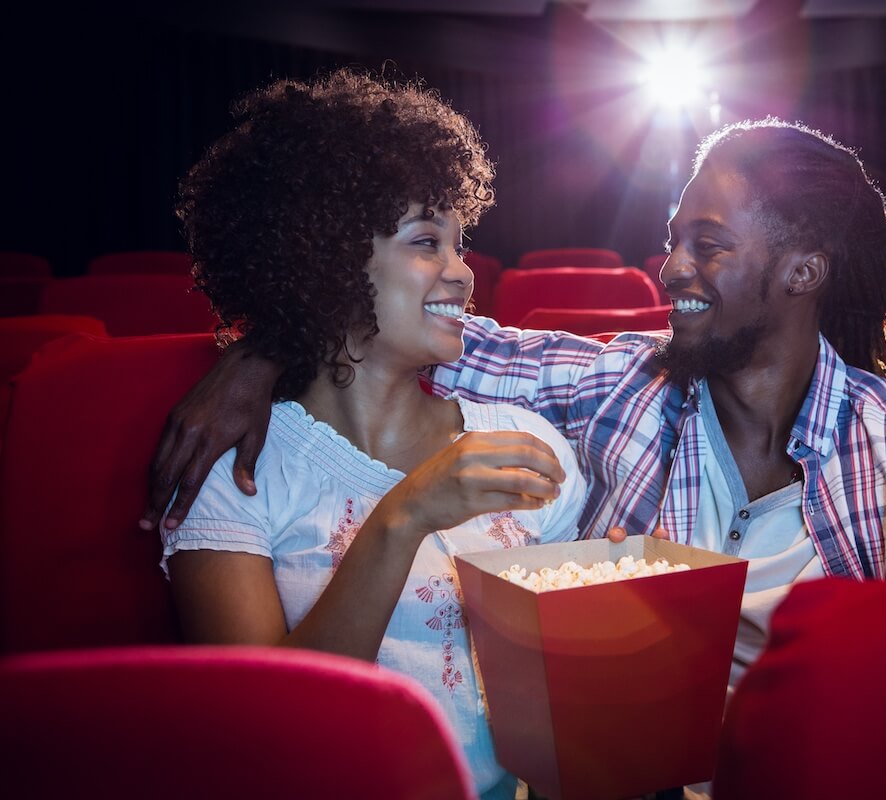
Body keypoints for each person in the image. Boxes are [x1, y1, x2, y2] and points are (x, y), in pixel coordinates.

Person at [144, 116, 886, 695]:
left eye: (706, 244)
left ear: (803, 272)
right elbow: (390, 324)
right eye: (673, 240)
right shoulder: (613, 392)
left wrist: (800, 679)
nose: (668, 269)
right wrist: (259, 351)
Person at [158, 68, 586, 800]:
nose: (462, 273)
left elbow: (567, 724)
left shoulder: (524, 444)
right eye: (427, 243)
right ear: (323, 259)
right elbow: (269, 742)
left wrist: (611, 617)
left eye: (461, 244)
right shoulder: (234, 465)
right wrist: (405, 516)